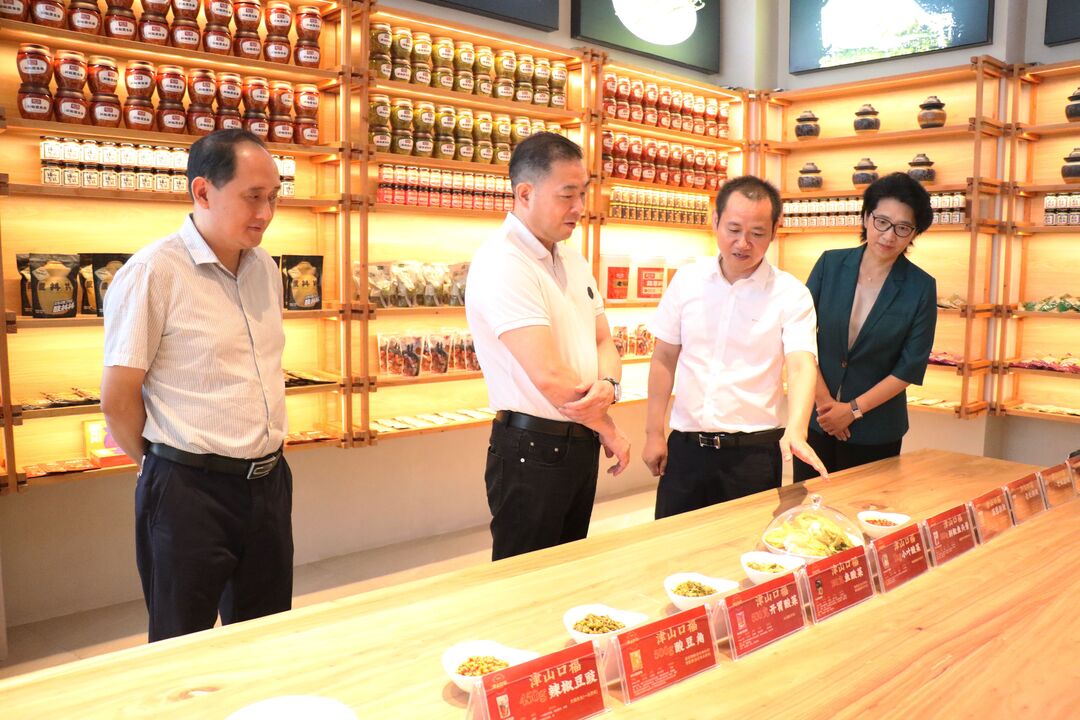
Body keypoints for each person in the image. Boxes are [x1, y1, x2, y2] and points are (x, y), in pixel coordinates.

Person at [101, 130, 292, 642]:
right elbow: (117, 400)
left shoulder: (266, 269)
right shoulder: (153, 272)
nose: (266, 212)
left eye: (274, 197)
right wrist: (164, 468)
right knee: (181, 643)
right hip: (188, 491)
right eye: (253, 196)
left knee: (266, 636)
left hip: (269, 482)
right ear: (203, 192)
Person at [466, 132, 631, 561]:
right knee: (526, 579)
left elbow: (603, 339)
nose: (579, 207)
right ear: (525, 193)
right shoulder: (504, 263)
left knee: (567, 571)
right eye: (567, 195)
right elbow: (550, 376)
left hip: (578, 441)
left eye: (583, 194)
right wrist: (609, 428)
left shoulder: (572, 258)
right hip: (531, 449)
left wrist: (610, 385)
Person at [643, 175, 828, 519]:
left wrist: (798, 429)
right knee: (673, 544)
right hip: (686, 449)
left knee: (745, 545)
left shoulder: (791, 294)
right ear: (715, 221)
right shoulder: (687, 280)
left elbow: (802, 364)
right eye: (733, 229)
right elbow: (664, 357)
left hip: (753, 456)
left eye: (757, 233)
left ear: (774, 231)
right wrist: (654, 432)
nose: (743, 243)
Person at [793, 172, 937, 481]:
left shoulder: (921, 287)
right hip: (816, 419)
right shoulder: (830, 265)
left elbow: (909, 366)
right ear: (866, 217)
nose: (888, 236)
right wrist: (825, 404)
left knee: (865, 509)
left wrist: (852, 410)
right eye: (881, 221)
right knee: (806, 506)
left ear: (914, 233)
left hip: (876, 429)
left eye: (902, 228)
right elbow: (799, 336)